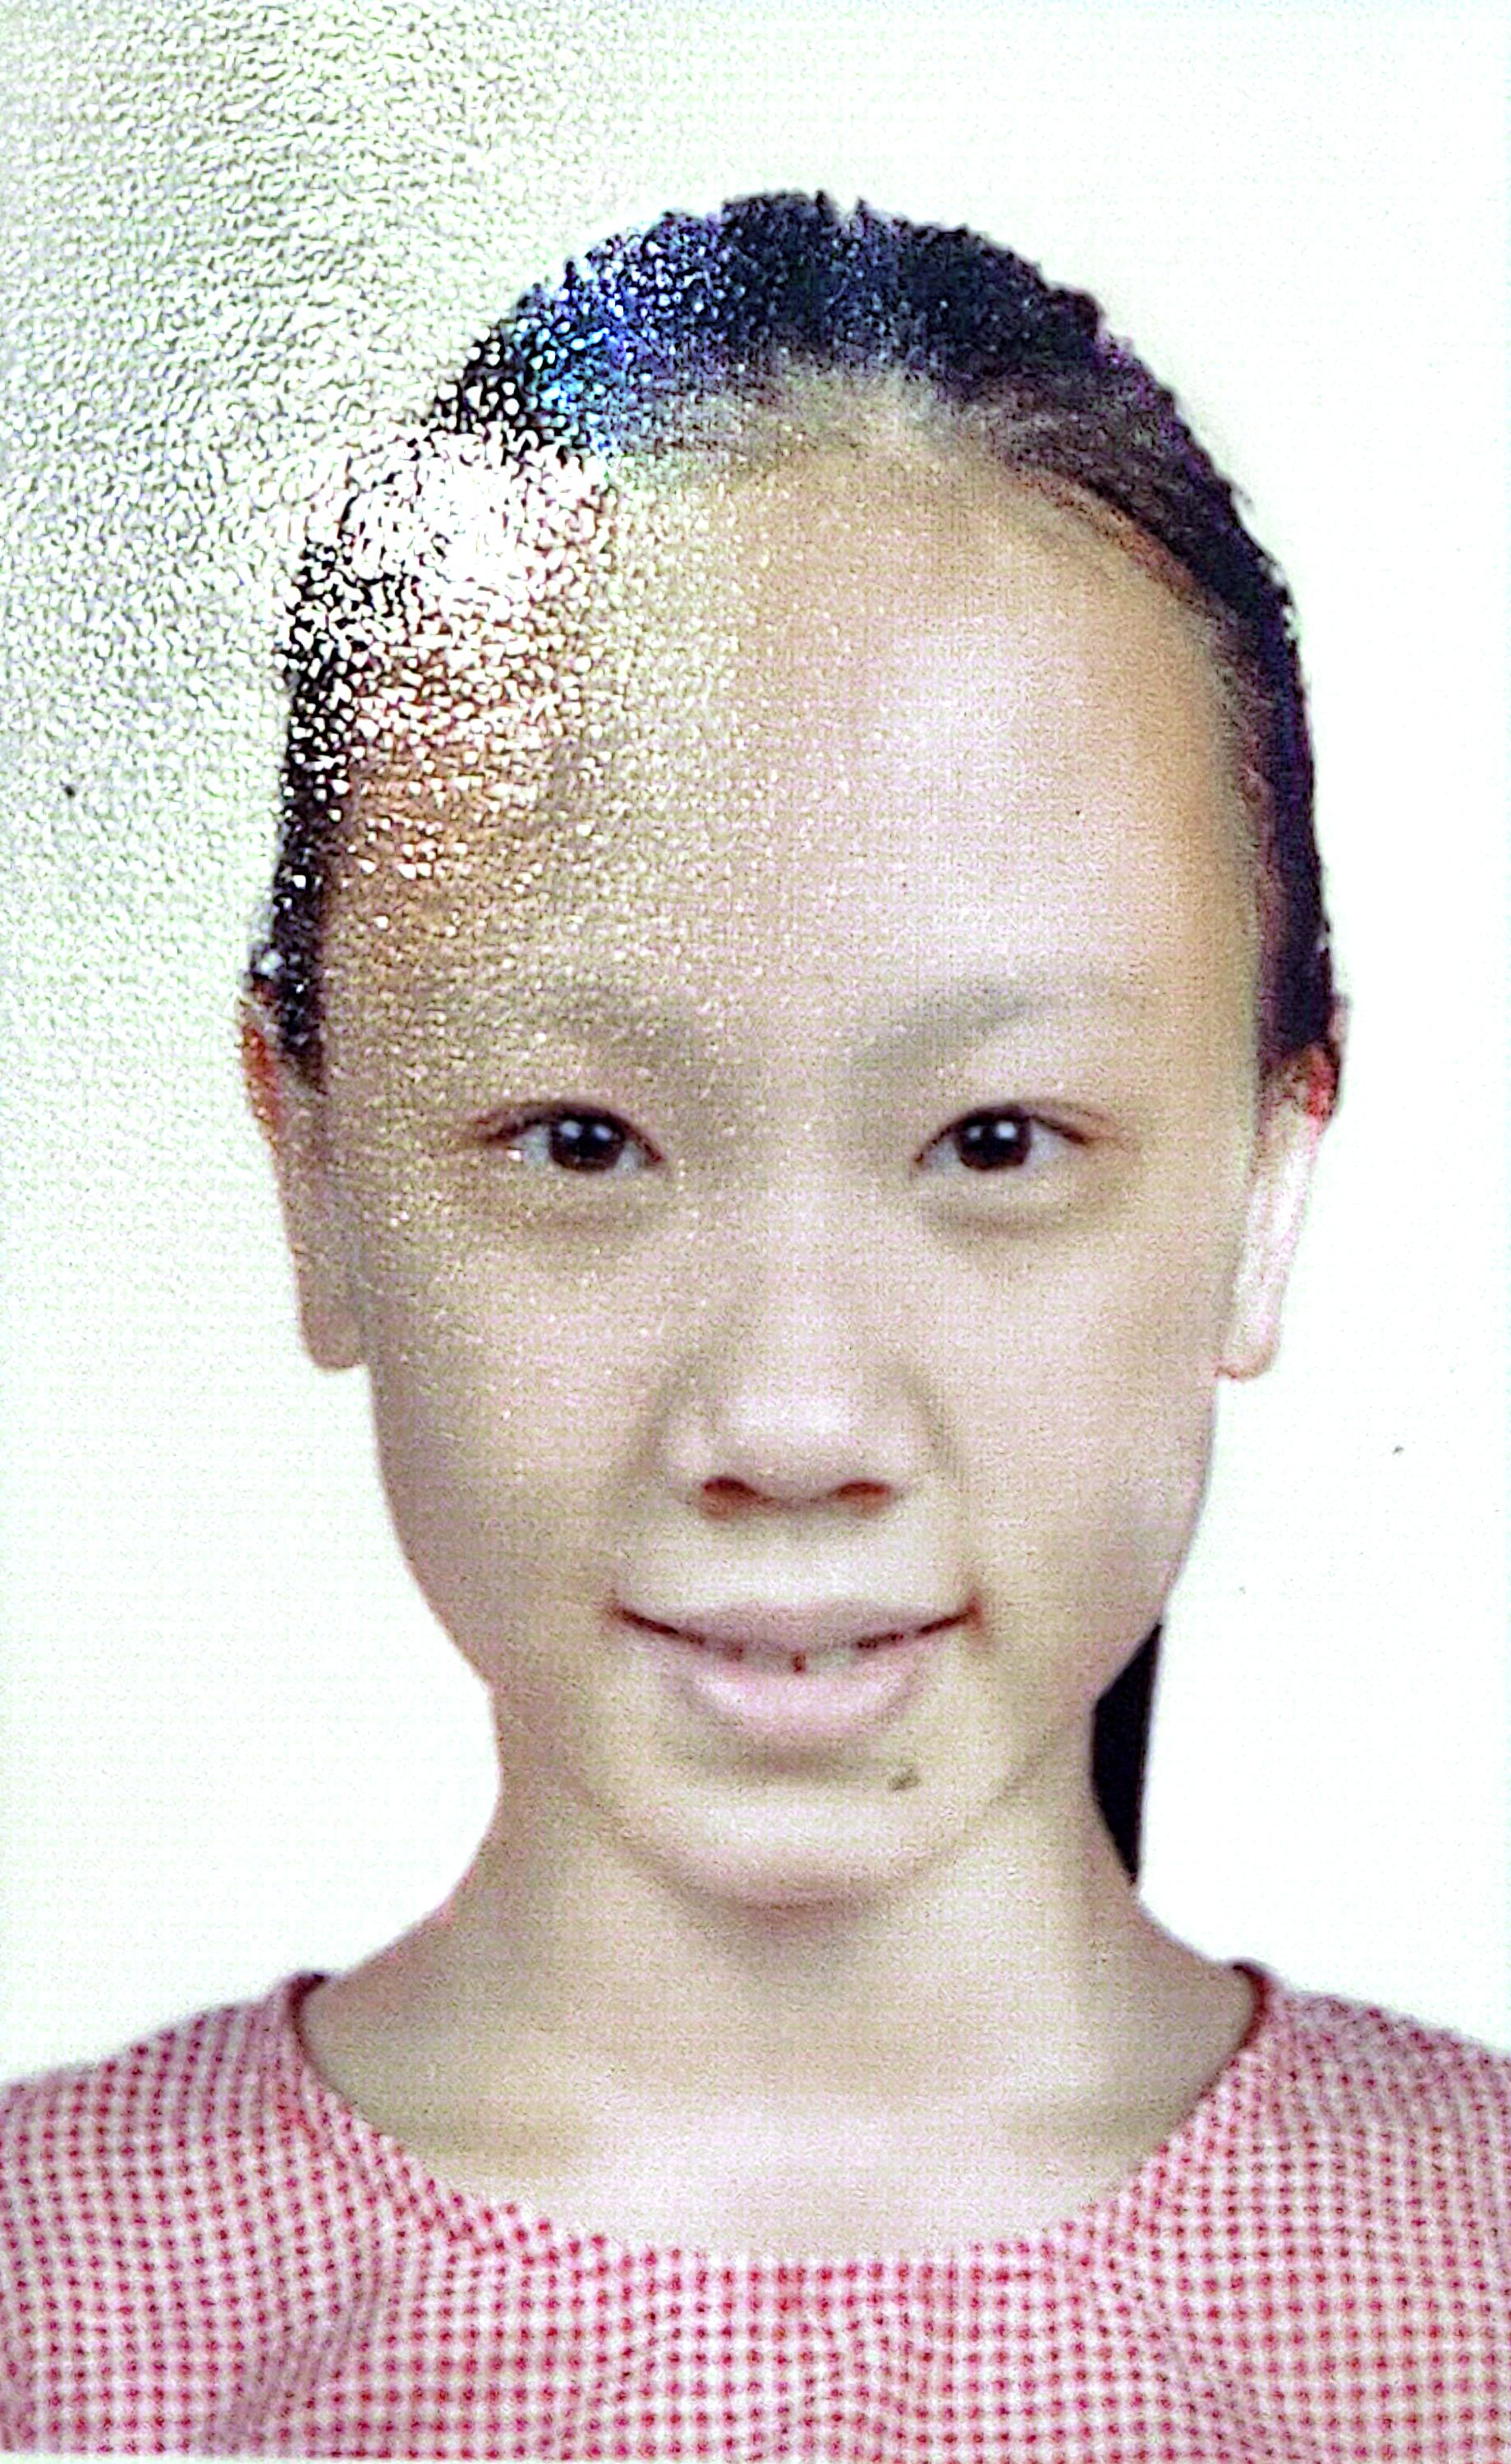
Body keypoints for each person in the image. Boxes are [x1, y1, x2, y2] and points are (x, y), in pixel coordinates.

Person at [2, 191, 1506, 2461]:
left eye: (995, 1140)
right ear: (310, 1161)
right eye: (582, 1140)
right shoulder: (56, 2312)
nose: (792, 1421)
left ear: (1265, 1182)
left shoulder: (1469, 2298)